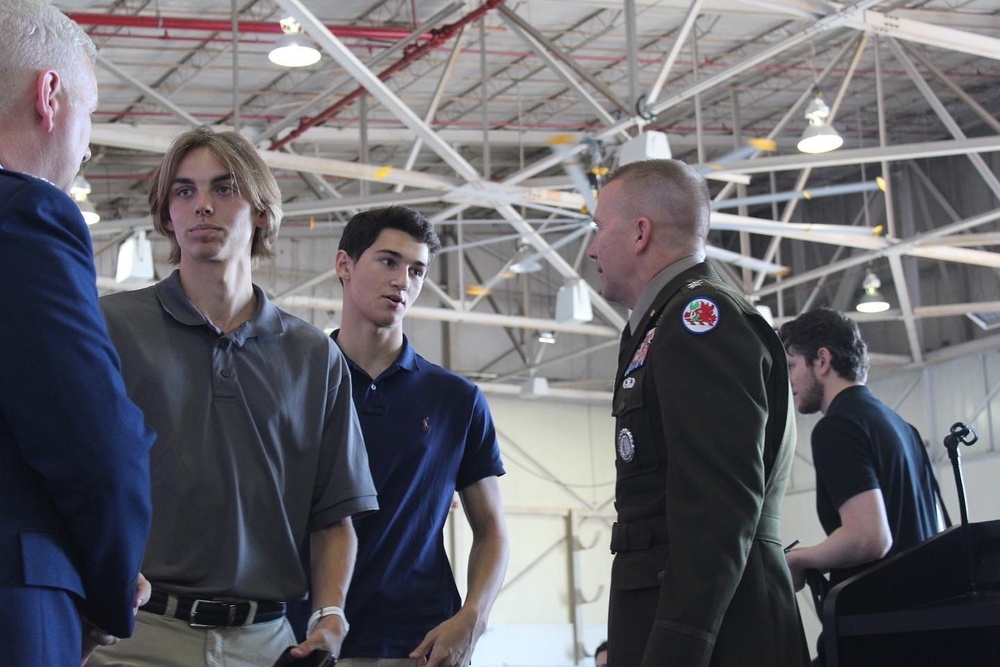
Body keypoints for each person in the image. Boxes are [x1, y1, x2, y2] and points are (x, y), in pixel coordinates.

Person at [92, 126, 378, 666]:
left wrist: (330, 615)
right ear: (166, 215)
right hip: (131, 638)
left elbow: (333, 516)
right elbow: (66, 476)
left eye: (224, 189)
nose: (203, 206)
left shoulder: (315, 356)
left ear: (262, 212)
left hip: (266, 644)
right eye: (185, 191)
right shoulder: (110, 328)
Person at [587, 159, 808, 667]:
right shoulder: (664, 325)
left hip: (717, 637)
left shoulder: (698, 322)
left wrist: (679, 644)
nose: (594, 248)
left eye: (600, 229)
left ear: (640, 233)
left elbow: (718, 505)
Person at [0, 0, 155, 664]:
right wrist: (110, 587)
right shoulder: (28, 213)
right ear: (50, 94)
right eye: (89, 114)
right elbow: (95, 444)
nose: (88, 145)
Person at [331, 206, 509, 667]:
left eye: (416, 270)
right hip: (307, 633)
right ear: (344, 265)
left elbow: (491, 528)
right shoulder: (297, 382)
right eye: (388, 261)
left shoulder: (456, 399)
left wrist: (473, 617)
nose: (403, 281)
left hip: (418, 642)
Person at [778, 308, 940, 606]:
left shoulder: (838, 426)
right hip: (927, 617)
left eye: (791, 366)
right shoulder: (902, 427)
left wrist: (798, 559)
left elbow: (869, 537)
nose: (789, 381)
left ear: (823, 361)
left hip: (882, 627)